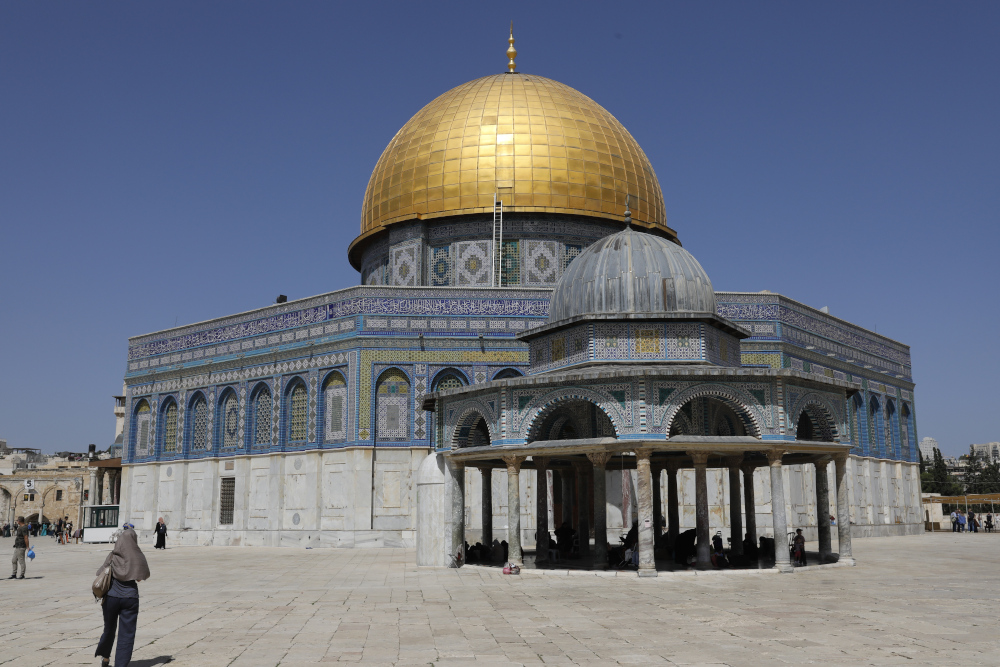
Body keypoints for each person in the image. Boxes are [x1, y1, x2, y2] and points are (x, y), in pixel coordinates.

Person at [95, 523, 150, 667]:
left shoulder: (113, 555)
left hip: (111, 598)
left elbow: (99, 573)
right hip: (130, 598)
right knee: (127, 634)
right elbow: (141, 577)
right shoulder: (138, 556)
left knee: (109, 629)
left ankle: (105, 658)